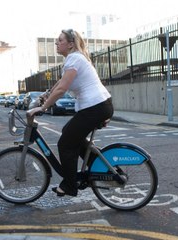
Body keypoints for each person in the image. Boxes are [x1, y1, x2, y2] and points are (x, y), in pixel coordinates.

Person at [28, 29, 113, 197]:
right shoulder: (74, 59)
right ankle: (98, 168)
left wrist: (43, 108)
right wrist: (45, 95)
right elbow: (60, 82)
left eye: (60, 40)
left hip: (94, 107)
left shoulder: (74, 58)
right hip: (98, 105)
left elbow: (62, 89)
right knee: (70, 134)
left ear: (70, 44)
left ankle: (69, 185)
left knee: (65, 144)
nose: (56, 43)